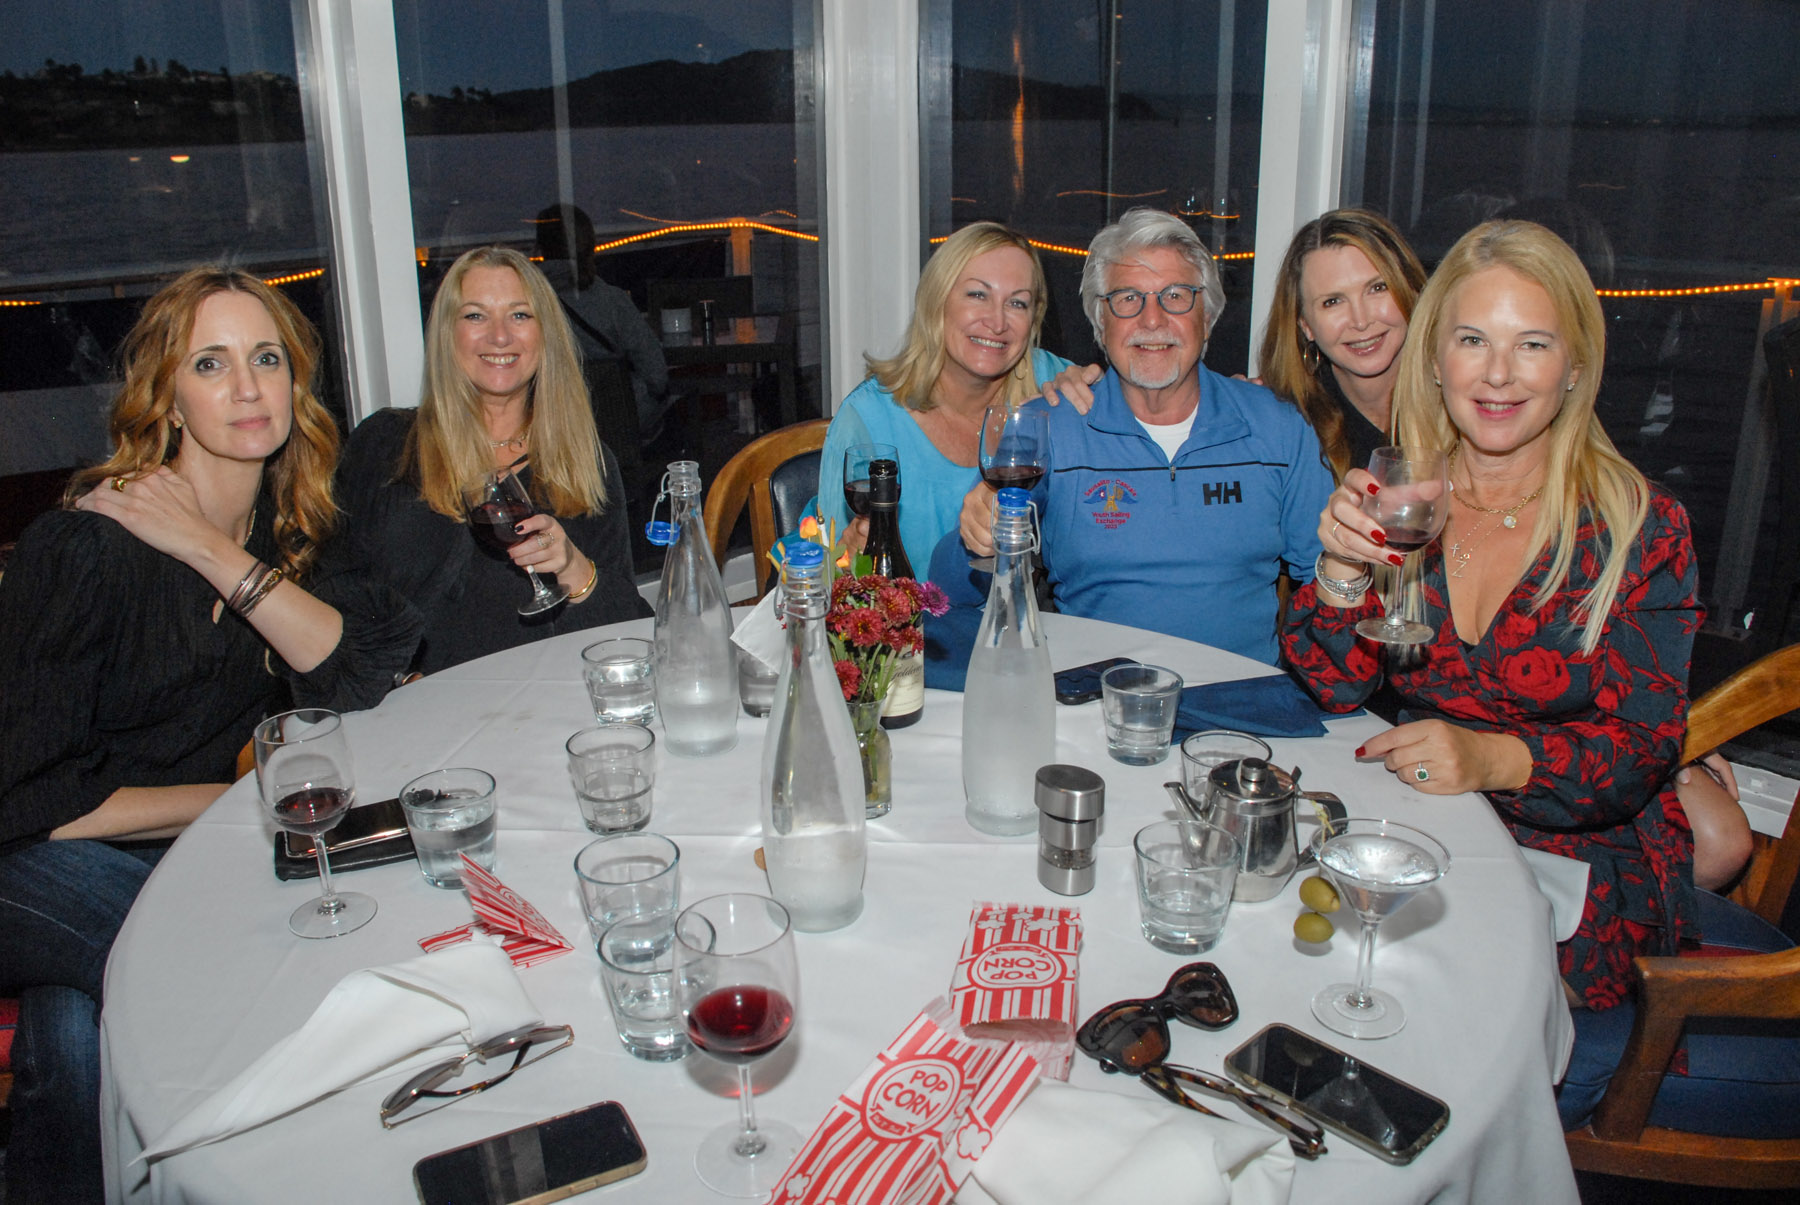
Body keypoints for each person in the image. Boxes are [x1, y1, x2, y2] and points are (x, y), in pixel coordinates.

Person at [1276, 220, 1729, 1130]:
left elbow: (1642, 749)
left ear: (1575, 368)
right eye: (1473, 340)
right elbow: (1330, 684)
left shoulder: (1638, 526)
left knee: (1422, 1076)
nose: (1497, 374)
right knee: (1292, 1006)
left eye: (1532, 345)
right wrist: (1338, 569)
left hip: (1576, 882)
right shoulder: (1407, 498)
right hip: (1425, 840)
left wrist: (1491, 758)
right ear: (1435, 359)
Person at [0, 267, 421, 1203]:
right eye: (210, 363)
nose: (245, 386)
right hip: (28, 856)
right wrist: (238, 806)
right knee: (232, 968)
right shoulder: (87, 548)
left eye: (265, 358)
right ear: (169, 398)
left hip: (164, 850)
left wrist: (209, 548)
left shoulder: (288, 531)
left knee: (71, 1031)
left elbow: (365, 669)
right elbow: (29, 801)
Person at [941, 208, 1333, 665]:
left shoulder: (1278, 426)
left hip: (1240, 697)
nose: (1152, 320)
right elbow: (952, 595)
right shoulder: (1043, 428)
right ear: (1100, 324)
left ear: (1207, 317)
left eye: (1176, 296)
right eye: (1128, 298)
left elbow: (1327, 584)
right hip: (1093, 694)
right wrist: (974, 538)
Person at [330, 246, 650, 676]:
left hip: (537, 698)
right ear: (448, 335)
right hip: (410, 704)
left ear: (545, 335)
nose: (500, 336)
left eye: (519, 315)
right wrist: (392, 680)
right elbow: (334, 589)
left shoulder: (584, 462)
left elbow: (627, 630)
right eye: (475, 315)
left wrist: (573, 567)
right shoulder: (387, 444)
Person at [815, 221, 1074, 572]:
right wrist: (845, 560)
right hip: (911, 609)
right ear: (937, 301)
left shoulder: (1051, 384)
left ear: (1033, 320)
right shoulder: (867, 420)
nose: (997, 322)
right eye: (977, 295)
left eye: (1017, 303)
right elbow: (828, 571)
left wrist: (1097, 386)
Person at [1259, 208, 1428, 480]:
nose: (1360, 321)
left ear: (1412, 290)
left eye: (1377, 288)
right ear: (1306, 325)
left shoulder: (1459, 405)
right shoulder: (1286, 426)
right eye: (1332, 302)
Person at [533, 203, 671, 440]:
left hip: (556, 430)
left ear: (541, 245)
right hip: (619, 430)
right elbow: (657, 375)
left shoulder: (525, 302)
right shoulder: (612, 302)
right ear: (589, 244)